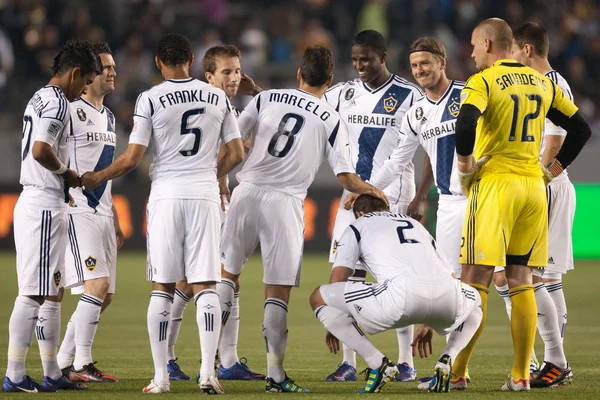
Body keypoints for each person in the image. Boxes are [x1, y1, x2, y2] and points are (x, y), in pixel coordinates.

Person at [80, 33, 245, 394]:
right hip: (204, 197)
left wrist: (98, 176)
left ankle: (160, 378)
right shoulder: (217, 96)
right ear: (191, 58)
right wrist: (210, 175)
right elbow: (236, 152)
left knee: (163, 289)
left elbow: (133, 158)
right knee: (206, 286)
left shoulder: (150, 98)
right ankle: (207, 374)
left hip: (167, 195)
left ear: (158, 62)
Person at [217, 45, 387, 393]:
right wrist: (374, 190)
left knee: (226, 279)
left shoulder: (267, 99)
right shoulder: (330, 118)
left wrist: (217, 177)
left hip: (245, 193)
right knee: (276, 293)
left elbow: (236, 141)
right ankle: (276, 377)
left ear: (298, 74)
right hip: (285, 203)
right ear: (329, 79)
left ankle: (209, 366)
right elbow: (345, 178)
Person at [452, 18, 591, 391]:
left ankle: (459, 372)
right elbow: (582, 129)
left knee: (475, 280)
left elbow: (464, 126)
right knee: (522, 281)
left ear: (487, 43)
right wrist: (553, 170)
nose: (472, 52)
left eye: (474, 45)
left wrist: (466, 167)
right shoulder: (542, 82)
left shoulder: (482, 81)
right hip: (533, 188)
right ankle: (519, 376)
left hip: (496, 185)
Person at [324, 29, 424, 383]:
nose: (360, 65)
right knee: (347, 275)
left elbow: (424, 149)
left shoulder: (410, 95)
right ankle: (350, 362)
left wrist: (421, 195)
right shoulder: (343, 93)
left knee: (396, 277)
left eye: (366, 58)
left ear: (383, 56)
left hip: (391, 198)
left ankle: (406, 361)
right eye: (354, 60)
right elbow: (303, 104)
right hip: (351, 198)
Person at [309, 194, 483, 394]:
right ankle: (447, 359)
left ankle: (378, 363)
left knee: (318, 296)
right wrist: (429, 321)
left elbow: (339, 278)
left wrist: (334, 321)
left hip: (400, 298)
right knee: (476, 301)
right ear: (386, 208)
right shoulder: (415, 225)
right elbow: (451, 275)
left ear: (358, 213)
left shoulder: (358, 225)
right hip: (448, 297)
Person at [3, 39, 99, 393]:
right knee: (32, 294)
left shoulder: (39, 96)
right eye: (85, 81)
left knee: (50, 293)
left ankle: (51, 373)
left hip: (44, 202)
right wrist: (68, 174)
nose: (83, 90)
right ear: (74, 73)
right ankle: (14, 374)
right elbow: (42, 150)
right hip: (42, 203)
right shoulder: (59, 103)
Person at [166, 44, 264, 382]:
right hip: (201, 198)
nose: (235, 77)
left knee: (226, 278)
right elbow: (229, 152)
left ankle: (229, 359)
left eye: (237, 70)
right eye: (227, 71)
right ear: (209, 76)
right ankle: (169, 358)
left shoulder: (217, 102)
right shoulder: (213, 104)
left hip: (207, 196)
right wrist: (216, 177)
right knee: (188, 280)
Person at [505, 22, 575, 387]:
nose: (512, 57)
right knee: (546, 278)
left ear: (527, 50)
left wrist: (539, 177)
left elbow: (555, 140)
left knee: (531, 277)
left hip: (546, 186)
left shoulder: (551, 84)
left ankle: (553, 362)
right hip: (548, 186)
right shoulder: (545, 83)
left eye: (514, 51)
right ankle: (553, 362)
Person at [370, 37, 467, 279]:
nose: (419, 71)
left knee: (501, 278)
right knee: (450, 281)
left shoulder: (468, 94)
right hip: (447, 203)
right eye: (414, 66)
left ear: (441, 63)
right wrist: (367, 189)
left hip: (482, 197)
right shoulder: (416, 114)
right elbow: (396, 162)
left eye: (425, 63)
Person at [55, 41, 121, 383]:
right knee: (97, 284)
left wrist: (116, 219)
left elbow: (106, 169)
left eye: (112, 67)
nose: (111, 72)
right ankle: (81, 362)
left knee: (105, 294)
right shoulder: (70, 109)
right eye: (105, 67)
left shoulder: (108, 116)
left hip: (104, 212)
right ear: (90, 73)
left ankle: (65, 362)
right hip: (77, 210)